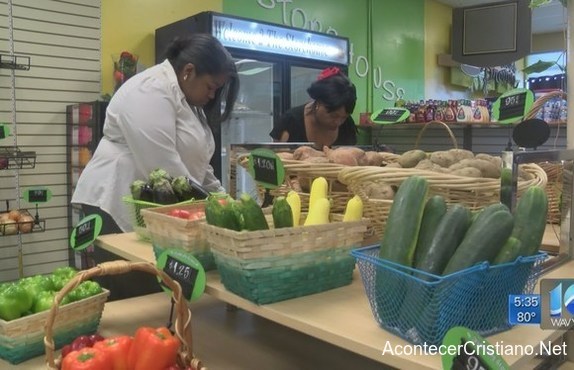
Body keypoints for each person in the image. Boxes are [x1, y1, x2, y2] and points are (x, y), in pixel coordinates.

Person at [71, 34, 238, 300]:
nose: (212, 94)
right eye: (210, 86)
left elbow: (199, 166)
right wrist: (212, 211)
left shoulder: (189, 101)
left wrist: (226, 201)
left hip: (152, 210)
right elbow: (164, 168)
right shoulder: (149, 90)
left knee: (155, 297)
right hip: (116, 204)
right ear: (188, 71)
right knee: (138, 296)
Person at [270, 66, 358, 149]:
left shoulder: (347, 125)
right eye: (333, 116)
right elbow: (276, 158)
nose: (338, 122)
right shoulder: (291, 121)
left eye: (344, 117)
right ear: (318, 103)